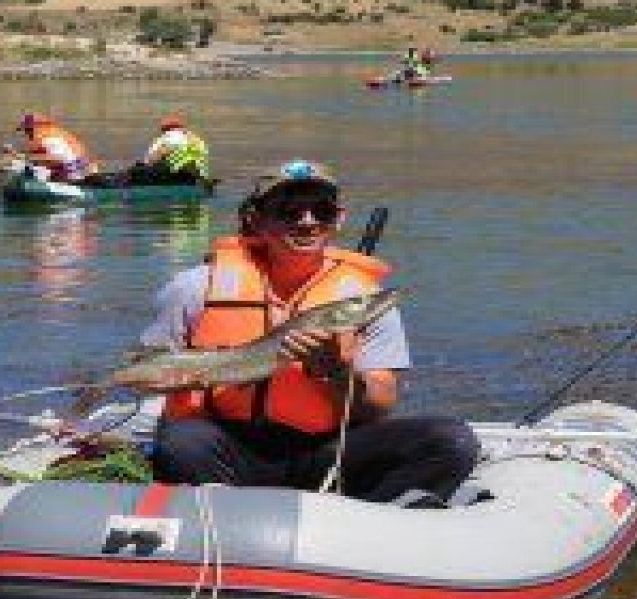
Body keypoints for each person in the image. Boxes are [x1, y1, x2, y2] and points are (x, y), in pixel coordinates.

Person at [130, 160, 480, 506]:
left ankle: (361, 524)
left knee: (451, 442)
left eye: (321, 211)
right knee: (182, 443)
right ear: (258, 219)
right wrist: (166, 380)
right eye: (288, 211)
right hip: (225, 445)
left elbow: (378, 409)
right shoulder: (195, 286)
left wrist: (335, 372)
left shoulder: (360, 300)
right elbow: (146, 372)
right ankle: (228, 522)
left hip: (323, 449)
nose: (307, 221)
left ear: (339, 219)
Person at [126, 114, 210, 185]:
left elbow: (160, 153)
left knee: (135, 171)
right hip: (197, 177)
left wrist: (145, 164)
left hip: (178, 175)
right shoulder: (196, 139)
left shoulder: (172, 136)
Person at [14, 112, 96, 183]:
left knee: (30, 167)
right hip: (76, 168)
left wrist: (27, 158)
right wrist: (16, 154)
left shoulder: (48, 138)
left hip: (78, 171)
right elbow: (39, 155)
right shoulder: (48, 135)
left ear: (35, 127)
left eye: (27, 130)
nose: (26, 133)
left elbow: (57, 158)